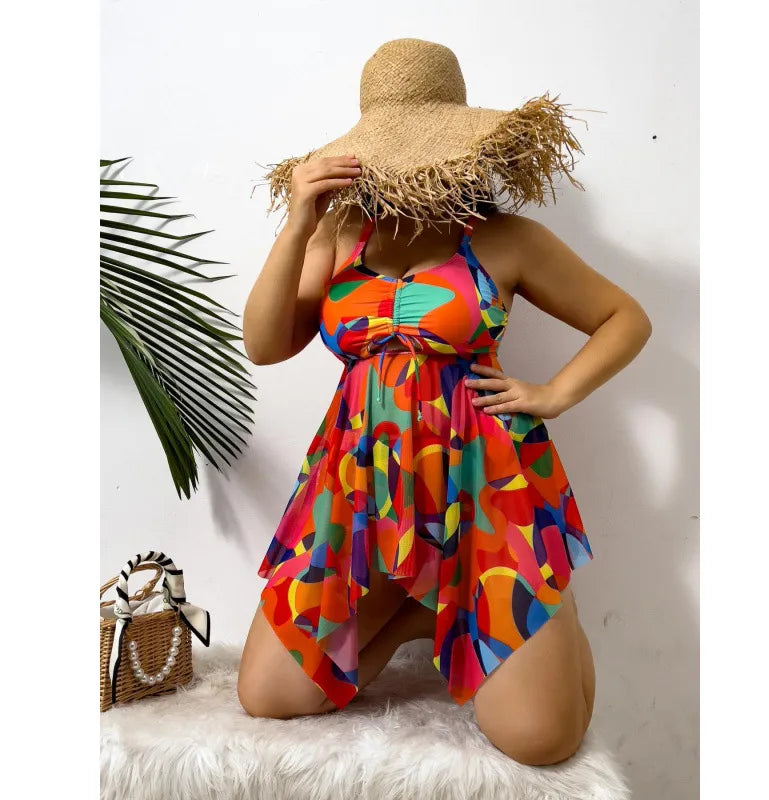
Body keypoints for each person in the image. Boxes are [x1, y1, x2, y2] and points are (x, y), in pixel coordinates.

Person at [237, 39, 651, 767]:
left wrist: (554, 394)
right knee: (268, 695)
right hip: (356, 487)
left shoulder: (504, 239)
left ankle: (545, 606)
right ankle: (416, 612)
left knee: (543, 740)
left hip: (486, 489)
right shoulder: (338, 235)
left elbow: (625, 318)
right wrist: (299, 219)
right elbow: (266, 344)